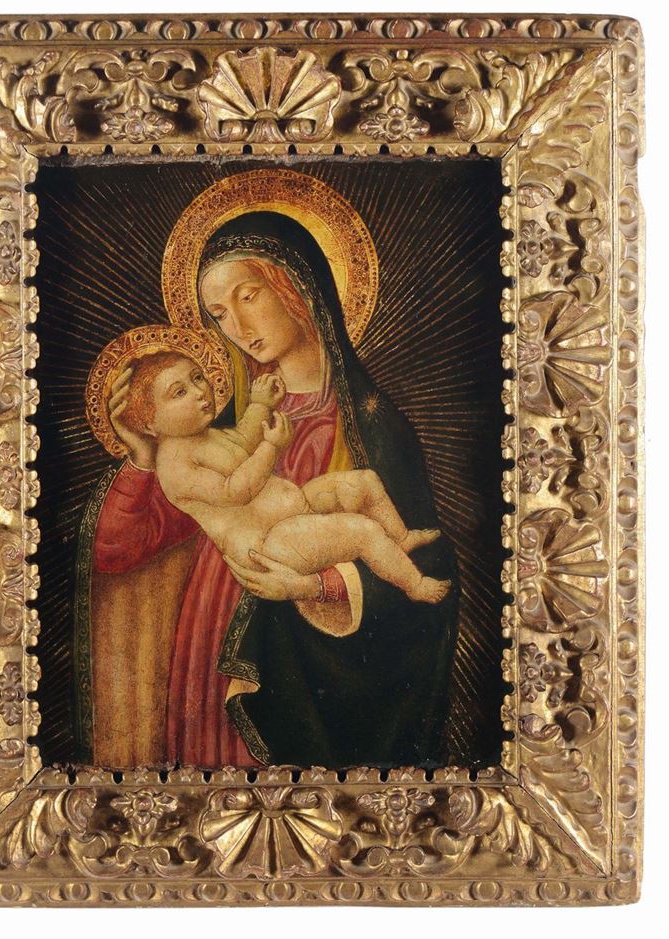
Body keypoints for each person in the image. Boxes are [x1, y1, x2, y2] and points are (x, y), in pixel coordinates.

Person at [76, 210, 459, 770]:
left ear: (296, 287)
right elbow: (119, 552)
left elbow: (434, 571)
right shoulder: (213, 434)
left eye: (248, 296)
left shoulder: (371, 423)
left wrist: (315, 586)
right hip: (216, 634)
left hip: (312, 658)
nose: (235, 325)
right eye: (218, 313)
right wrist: (143, 455)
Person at [115, 350, 449, 603]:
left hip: (293, 513)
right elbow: (234, 491)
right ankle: (416, 585)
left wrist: (260, 404)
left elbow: (242, 441)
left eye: (197, 378)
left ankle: (401, 538)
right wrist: (272, 448)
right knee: (363, 531)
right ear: (149, 424)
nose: (200, 392)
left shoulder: (204, 435)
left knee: (363, 482)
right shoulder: (175, 467)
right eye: (179, 392)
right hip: (270, 545)